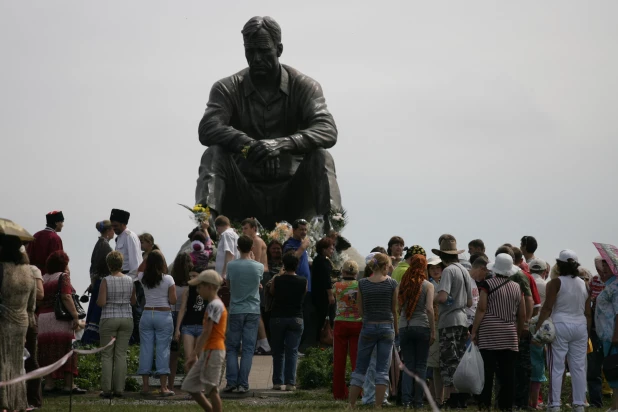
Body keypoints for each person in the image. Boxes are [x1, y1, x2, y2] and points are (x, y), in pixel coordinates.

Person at [194, 16, 342, 228]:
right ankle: (204, 229)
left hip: (292, 196)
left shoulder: (304, 86)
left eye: (263, 51)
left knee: (321, 156)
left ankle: (333, 231)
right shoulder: (227, 88)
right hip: (244, 194)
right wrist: (248, 144)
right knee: (213, 154)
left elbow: (327, 130)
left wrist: (281, 145)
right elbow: (208, 127)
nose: (256, 59)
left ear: (279, 49)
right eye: (250, 51)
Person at [536, 250, 591, 412]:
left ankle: (554, 404)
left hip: (560, 324)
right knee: (579, 367)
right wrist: (586, 333)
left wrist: (538, 327)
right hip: (580, 325)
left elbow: (547, 308)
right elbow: (588, 313)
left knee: (556, 366)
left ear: (559, 264)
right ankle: (579, 404)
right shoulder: (584, 284)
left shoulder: (555, 283)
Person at [471, 253, 526, 411]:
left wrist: (474, 331)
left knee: (487, 373)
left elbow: (481, 309)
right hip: (509, 333)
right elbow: (521, 314)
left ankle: (484, 404)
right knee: (508, 375)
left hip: (489, 332)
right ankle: (506, 406)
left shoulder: (487, 285)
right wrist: (517, 332)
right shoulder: (517, 287)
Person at [348, 253, 399, 408]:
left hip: (368, 325)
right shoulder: (392, 284)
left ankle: (351, 404)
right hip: (386, 326)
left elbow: (360, 309)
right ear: (384, 266)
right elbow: (394, 309)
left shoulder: (362, 283)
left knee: (360, 368)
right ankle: (378, 405)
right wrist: (395, 329)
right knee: (383, 369)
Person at [432, 236, 473, 409]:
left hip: (449, 320)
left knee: (448, 360)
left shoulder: (448, 271)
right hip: (463, 319)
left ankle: (451, 397)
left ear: (442, 255)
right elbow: (470, 302)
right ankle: (461, 397)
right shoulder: (464, 271)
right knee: (459, 358)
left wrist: (431, 299)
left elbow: (442, 296)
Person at [38, 251, 86, 394]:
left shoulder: (43, 278)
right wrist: (75, 316)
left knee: (47, 351)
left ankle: (49, 384)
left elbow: (39, 299)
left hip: (43, 318)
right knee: (67, 350)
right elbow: (66, 297)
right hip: (59, 319)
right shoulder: (63, 277)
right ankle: (68, 385)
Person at [0, 234, 37, 412]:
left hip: (4, 319)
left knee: (2, 361)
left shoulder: (2, 268)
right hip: (22, 320)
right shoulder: (28, 271)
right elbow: (32, 303)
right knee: (17, 363)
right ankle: (19, 401)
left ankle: (4, 401)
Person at [182, 270, 226, 412]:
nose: (197, 290)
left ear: (210, 287)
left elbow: (207, 331)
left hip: (213, 350)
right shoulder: (212, 305)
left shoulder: (215, 305)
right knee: (190, 385)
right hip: (209, 350)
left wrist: (194, 353)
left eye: (200, 286)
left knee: (211, 389)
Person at [224, 235, 264, 393]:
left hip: (236, 309)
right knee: (248, 348)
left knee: (232, 347)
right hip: (253, 310)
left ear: (238, 248)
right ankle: (243, 384)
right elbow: (258, 284)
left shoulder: (231, 266)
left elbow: (229, 285)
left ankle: (231, 382)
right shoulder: (258, 266)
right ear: (252, 247)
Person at [97, 251, 136, 398]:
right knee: (120, 354)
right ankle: (119, 388)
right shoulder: (130, 280)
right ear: (121, 264)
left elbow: (101, 302)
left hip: (109, 317)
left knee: (107, 354)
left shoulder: (106, 280)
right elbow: (133, 301)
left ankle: (107, 389)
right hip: (126, 318)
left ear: (109, 264)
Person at [398, 254, 435, 409]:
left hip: (404, 326)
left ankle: (405, 400)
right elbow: (429, 308)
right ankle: (418, 401)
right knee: (421, 365)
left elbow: (399, 307)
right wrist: (432, 330)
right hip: (421, 326)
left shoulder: (403, 283)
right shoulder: (428, 286)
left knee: (408, 364)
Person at [137, 250, 176, 396]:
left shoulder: (143, 278)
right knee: (163, 350)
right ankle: (163, 387)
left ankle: (145, 387)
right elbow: (173, 301)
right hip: (163, 314)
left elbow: (139, 269)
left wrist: (148, 256)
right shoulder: (168, 279)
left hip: (147, 314)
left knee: (145, 350)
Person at [269, 252, 308, 391]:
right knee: (292, 351)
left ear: (284, 265)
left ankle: (277, 382)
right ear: (297, 265)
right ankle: (290, 383)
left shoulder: (278, 280)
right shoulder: (303, 281)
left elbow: (272, 292)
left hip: (278, 317)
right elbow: (303, 294)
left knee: (278, 351)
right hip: (296, 317)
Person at [110, 208, 143, 344]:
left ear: (123, 224)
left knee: (134, 312)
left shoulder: (130, 236)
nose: (114, 229)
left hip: (131, 280)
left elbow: (136, 264)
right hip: (122, 279)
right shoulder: (119, 238)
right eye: (112, 226)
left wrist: (129, 282)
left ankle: (137, 341)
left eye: (116, 226)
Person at [332, 260, 362, 400]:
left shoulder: (336, 286)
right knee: (357, 360)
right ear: (356, 273)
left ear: (343, 271)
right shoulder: (360, 285)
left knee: (339, 360)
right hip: (357, 323)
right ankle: (358, 392)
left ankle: (339, 393)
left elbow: (332, 300)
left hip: (340, 323)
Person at [241, 218, 271, 355]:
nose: (244, 231)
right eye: (242, 229)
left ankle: (264, 343)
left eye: (246, 228)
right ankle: (259, 342)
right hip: (257, 277)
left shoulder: (257, 242)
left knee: (256, 311)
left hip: (261, 277)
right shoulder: (250, 242)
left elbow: (256, 263)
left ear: (254, 229)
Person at [82, 220, 114, 345]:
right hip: (102, 283)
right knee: (98, 315)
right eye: (112, 230)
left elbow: (93, 268)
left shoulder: (99, 244)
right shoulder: (105, 246)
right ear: (108, 231)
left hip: (97, 283)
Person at [588, 256, 614, 408]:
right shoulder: (595, 280)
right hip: (596, 328)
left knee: (612, 365)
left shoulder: (615, 284)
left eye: (604, 268)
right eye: (599, 268)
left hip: (610, 330)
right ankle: (596, 401)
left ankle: (611, 398)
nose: (601, 271)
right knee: (594, 368)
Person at [594, 256, 618, 412]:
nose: (604, 270)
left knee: (615, 370)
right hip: (607, 334)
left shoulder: (616, 286)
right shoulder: (609, 285)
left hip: (612, 334)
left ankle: (615, 406)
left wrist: (616, 336)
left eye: (607, 267)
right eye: (603, 266)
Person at [175, 264, 207, 382]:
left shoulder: (207, 290)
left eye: (194, 276)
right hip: (188, 326)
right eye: (190, 276)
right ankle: (193, 385)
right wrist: (177, 328)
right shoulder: (188, 290)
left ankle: (200, 384)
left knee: (200, 356)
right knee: (189, 357)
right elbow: (182, 309)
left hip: (202, 327)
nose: (191, 279)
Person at [282, 219, 312, 346]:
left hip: (306, 286)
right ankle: (294, 345)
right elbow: (291, 259)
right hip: (295, 285)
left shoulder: (301, 244)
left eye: (305, 230)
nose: (304, 232)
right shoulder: (289, 244)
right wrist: (302, 247)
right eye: (301, 229)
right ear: (294, 230)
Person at [24, 247, 44, 410]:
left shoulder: (32, 270)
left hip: (28, 317)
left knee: (31, 359)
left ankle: (34, 399)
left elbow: (40, 294)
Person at [170, 252, 193, 389]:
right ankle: (190, 384)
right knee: (189, 354)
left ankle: (170, 385)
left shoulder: (172, 283)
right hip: (187, 317)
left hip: (173, 316)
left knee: (173, 354)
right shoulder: (191, 286)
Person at [528, 258, 549, 409]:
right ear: (544, 272)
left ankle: (527, 399)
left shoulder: (526, 281)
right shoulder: (546, 285)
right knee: (538, 365)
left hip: (526, 325)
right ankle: (537, 401)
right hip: (542, 327)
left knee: (526, 363)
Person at [425, 256, 444, 406]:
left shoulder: (445, 282)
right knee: (435, 365)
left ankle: (440, 397)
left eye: (438, 267)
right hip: (434, 325)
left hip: (446, 324)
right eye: (432, 268)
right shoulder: (428, 285)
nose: (436, 270)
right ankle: (436, 398)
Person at [311, 237, 335, 342]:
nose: (332, 250)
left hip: (318, 293)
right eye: (330, 248)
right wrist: (330, 294)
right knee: (324, 317)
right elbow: (326, 279)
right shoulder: (322, 261)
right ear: (324, 249)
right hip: (322, 295)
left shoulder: (319, 260)